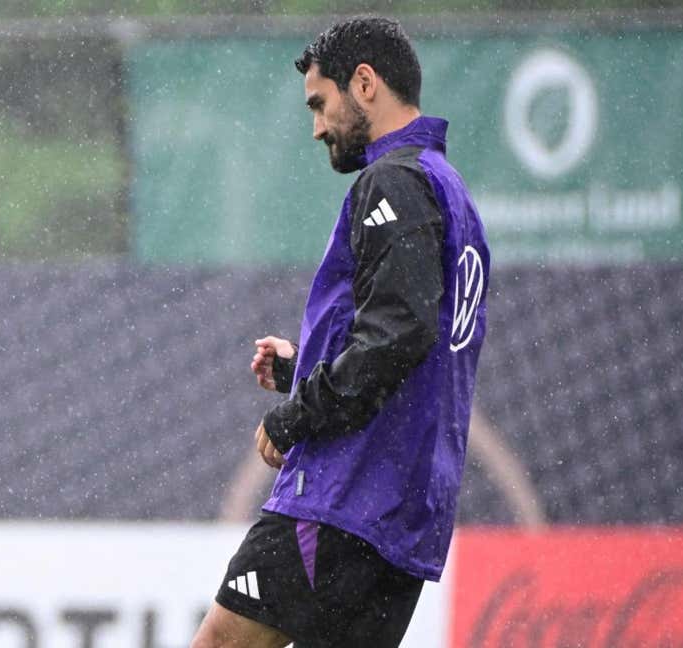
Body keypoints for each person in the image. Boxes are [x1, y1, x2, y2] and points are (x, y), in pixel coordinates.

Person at [190, 17, 490, 648]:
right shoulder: (450, 188)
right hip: (404, 511)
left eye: (320, 105)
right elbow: (413, 340)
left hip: (346, 496)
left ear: (365, 83)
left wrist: (293, 416)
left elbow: (397, 337)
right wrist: (306, 365)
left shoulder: (395, 181)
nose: (318, 127)